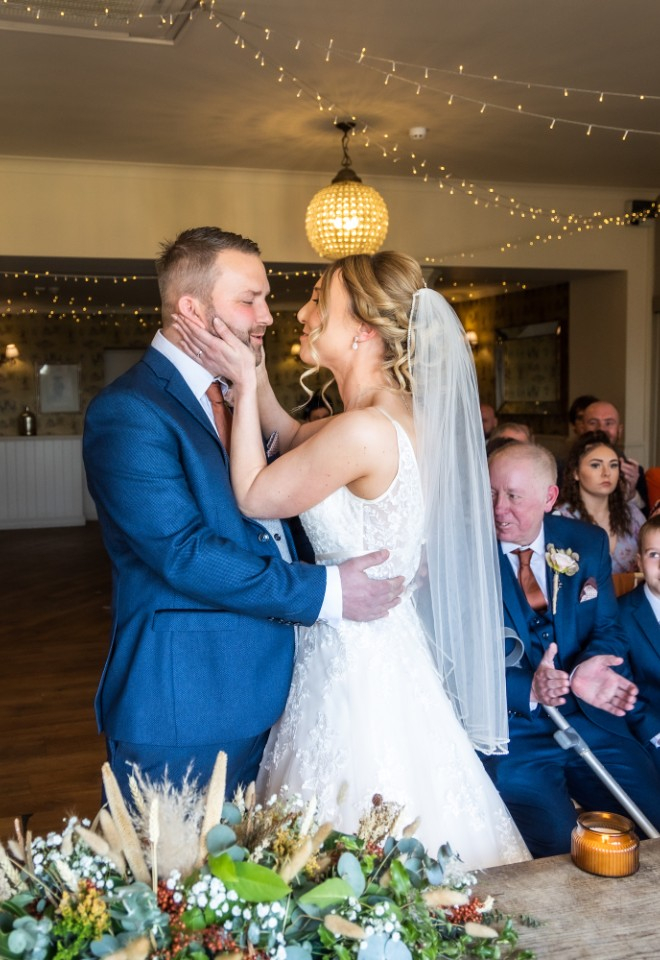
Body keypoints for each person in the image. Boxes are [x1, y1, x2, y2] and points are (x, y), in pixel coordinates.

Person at [174, 251, 531, 869]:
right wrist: (250, 371)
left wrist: (247, 380)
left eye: (318, 300)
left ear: (364, 327)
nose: (303, 313)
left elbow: (256, 496)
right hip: (377, 642)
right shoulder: (385, 418)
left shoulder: (364, 431)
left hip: (356, 661)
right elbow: (287, 435)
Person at [83, 226, 404, 802]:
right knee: (173, 884)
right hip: (187, 700)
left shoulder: (243, 394)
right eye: (249, 299)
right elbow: (183, 553)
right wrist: (327, 593)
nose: (269, 316)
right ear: (192, 307)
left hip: (294, 688)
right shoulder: (130, 411)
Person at [486, 441, 660, 857]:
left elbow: (608, 629)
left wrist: (585, 671)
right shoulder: (464, 554)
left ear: (549, 498)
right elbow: (452, 656)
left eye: (513, 496)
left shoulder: (586, 541)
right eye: (491, 493)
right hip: (516, 734)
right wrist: (529, 688)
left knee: (651, 818)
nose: (498, 508)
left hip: (589, 719)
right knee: (559, 847)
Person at [556, 431, 645, 574]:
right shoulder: (561, 518)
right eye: (595, 465)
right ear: (576, 473)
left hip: (632, 595)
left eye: (613, 465)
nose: (606, 473)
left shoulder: (632, 514)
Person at [619, 515, 660, 773]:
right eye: (655, 554)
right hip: (652, 734)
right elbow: (623, 687)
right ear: (639, 562)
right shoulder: (621, 615)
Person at [582, 400, 649, 514]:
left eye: (609, 423)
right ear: (582, 428)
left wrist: (631, 494)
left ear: (620, 430)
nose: (601, 429)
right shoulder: (560, 469)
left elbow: (647, 521)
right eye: (593, 423)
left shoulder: (634, 472)